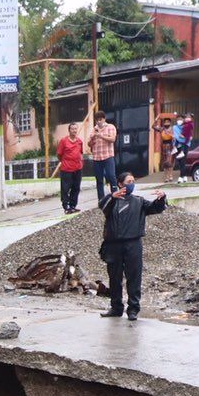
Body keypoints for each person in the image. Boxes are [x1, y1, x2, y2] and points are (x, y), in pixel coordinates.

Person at [97, 172, 168, 321]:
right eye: (128, 181)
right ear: (121, 184)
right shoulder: (112, 201)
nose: (131, 184)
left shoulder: (139, 201)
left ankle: (133, 309)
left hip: (133, 244)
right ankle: (116, 307)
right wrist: (111, 196)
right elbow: (102, 206)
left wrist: (162, 198)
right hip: (114, 244)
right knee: (114, 278)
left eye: (133, 181)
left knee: (134, 277)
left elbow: (156, 208)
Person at [56, 122, 86, 213]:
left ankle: (73, 205)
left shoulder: (79, 141)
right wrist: (64, 161)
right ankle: (66, 206)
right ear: (69, 130)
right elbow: (59, 154)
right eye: (72, 129)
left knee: (76, 187)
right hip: (66, 169)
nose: (74, 130)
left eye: (75, 129)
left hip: (77, 168)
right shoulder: (63, 141)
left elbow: (80, 153)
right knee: (65, 188)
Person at [87, 111, 119, 197]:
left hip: (108, 156)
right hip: (97, 157)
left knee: (111, 176)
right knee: (99, 180)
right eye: (97, 120)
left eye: (100, 119)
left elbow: (112, 139)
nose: (99, 122)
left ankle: (115, 195)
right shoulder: (94, 129)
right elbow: (89, 144)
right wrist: (92, 139)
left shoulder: (110, 127)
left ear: (104, 119)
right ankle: (101, 199)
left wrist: (100, 136)